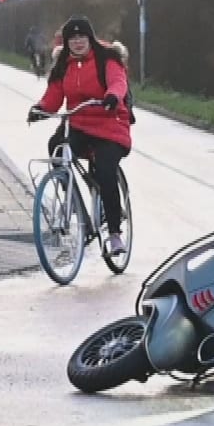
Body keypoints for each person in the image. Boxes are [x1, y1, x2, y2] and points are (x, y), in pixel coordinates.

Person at [28, 16, 134, 256]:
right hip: (79, 124)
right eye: (72, 39)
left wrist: (112, 97)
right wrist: (40, 109)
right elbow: (53, 97)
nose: (77, 42)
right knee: (56, 145)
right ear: (66, 43)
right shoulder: (63, 65)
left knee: (106, 169)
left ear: (90, 38)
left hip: (110, 124)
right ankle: (71, 198)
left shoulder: (107, 58)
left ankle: (115, 234)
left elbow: (118, 82)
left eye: (82, 37)